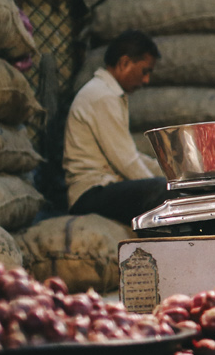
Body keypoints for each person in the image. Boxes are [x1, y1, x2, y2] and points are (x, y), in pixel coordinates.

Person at [64, 30, 168, 226]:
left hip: (103, 189)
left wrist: (171, 173)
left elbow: (130, 154)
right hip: (89, 194)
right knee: (161, 191)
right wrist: (165, 191)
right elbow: (126, 161)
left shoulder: (108, 94)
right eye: (145, 71)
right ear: (124, 63)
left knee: (164, 186)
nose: (146, 81)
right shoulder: (102, 96)